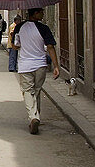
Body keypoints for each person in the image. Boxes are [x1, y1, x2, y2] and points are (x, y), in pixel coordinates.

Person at [12, 7, 60, 135]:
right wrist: (56, 66)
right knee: (37, 91)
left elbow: (15, 46)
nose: (43, 14)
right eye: (41, 12)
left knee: (28, 91)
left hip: (25, 65)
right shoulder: (44, 29)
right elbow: (50, 47)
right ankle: (36, 116)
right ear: (35, 13)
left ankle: (33, 117)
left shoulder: (19, 27)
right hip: (40, 65)